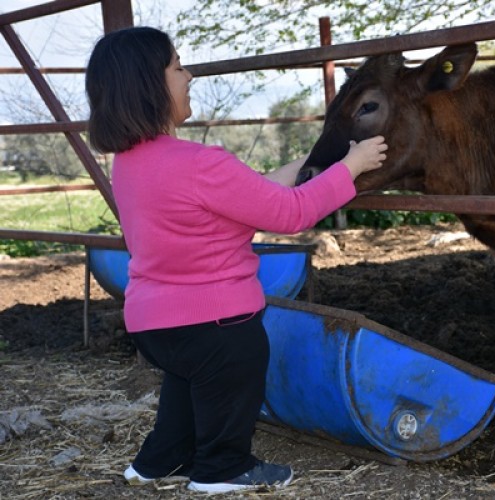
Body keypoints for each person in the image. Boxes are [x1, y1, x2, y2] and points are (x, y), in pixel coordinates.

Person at [85, 26, 387, 494]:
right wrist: (352, 166)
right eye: (178, 66)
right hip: (218, 324)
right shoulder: (201, 162)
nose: (190, 76)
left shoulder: (131, 163)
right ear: (149, 84)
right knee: (231, 381)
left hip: (153, 322)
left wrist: (313, 167)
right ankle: (222, 468)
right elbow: (290, 213)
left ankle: (159, 461)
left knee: (186, 387)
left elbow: (250, 194)